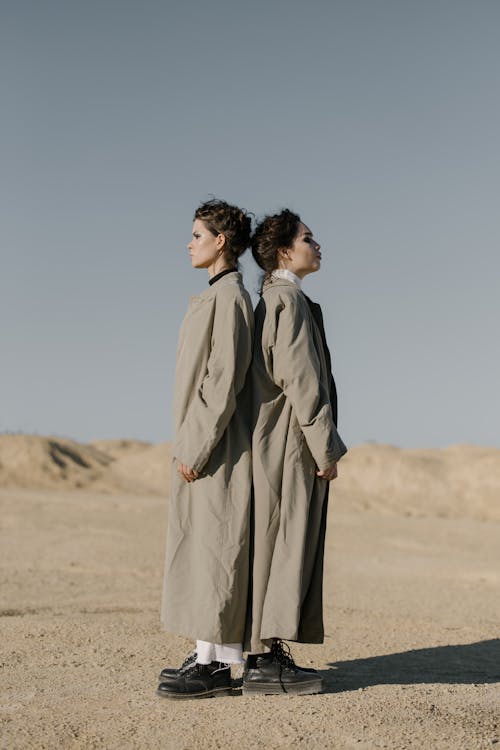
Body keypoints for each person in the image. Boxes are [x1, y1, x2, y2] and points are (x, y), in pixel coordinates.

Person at [243, 209, 347, 695]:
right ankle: (266, 661)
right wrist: (326, 449)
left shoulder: (275, 300)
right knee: (288, 542)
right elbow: (303, 382)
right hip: (291, 442)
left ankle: (265, 654)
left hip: (277, 439)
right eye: (308, 238)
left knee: (275, 542)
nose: (317, 244)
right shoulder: (288, 301)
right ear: (285, 250)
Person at [158, 199, 254, 699]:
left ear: (220, 242)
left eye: (197, 235)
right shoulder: (215, 295)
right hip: (200, 440)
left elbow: (223, 381)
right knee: (203, 548)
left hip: (216, 445)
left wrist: (194, 447)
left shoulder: (231, 297)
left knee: (218, 549)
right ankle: (205, 654)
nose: (189, 243)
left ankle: (218, 666)